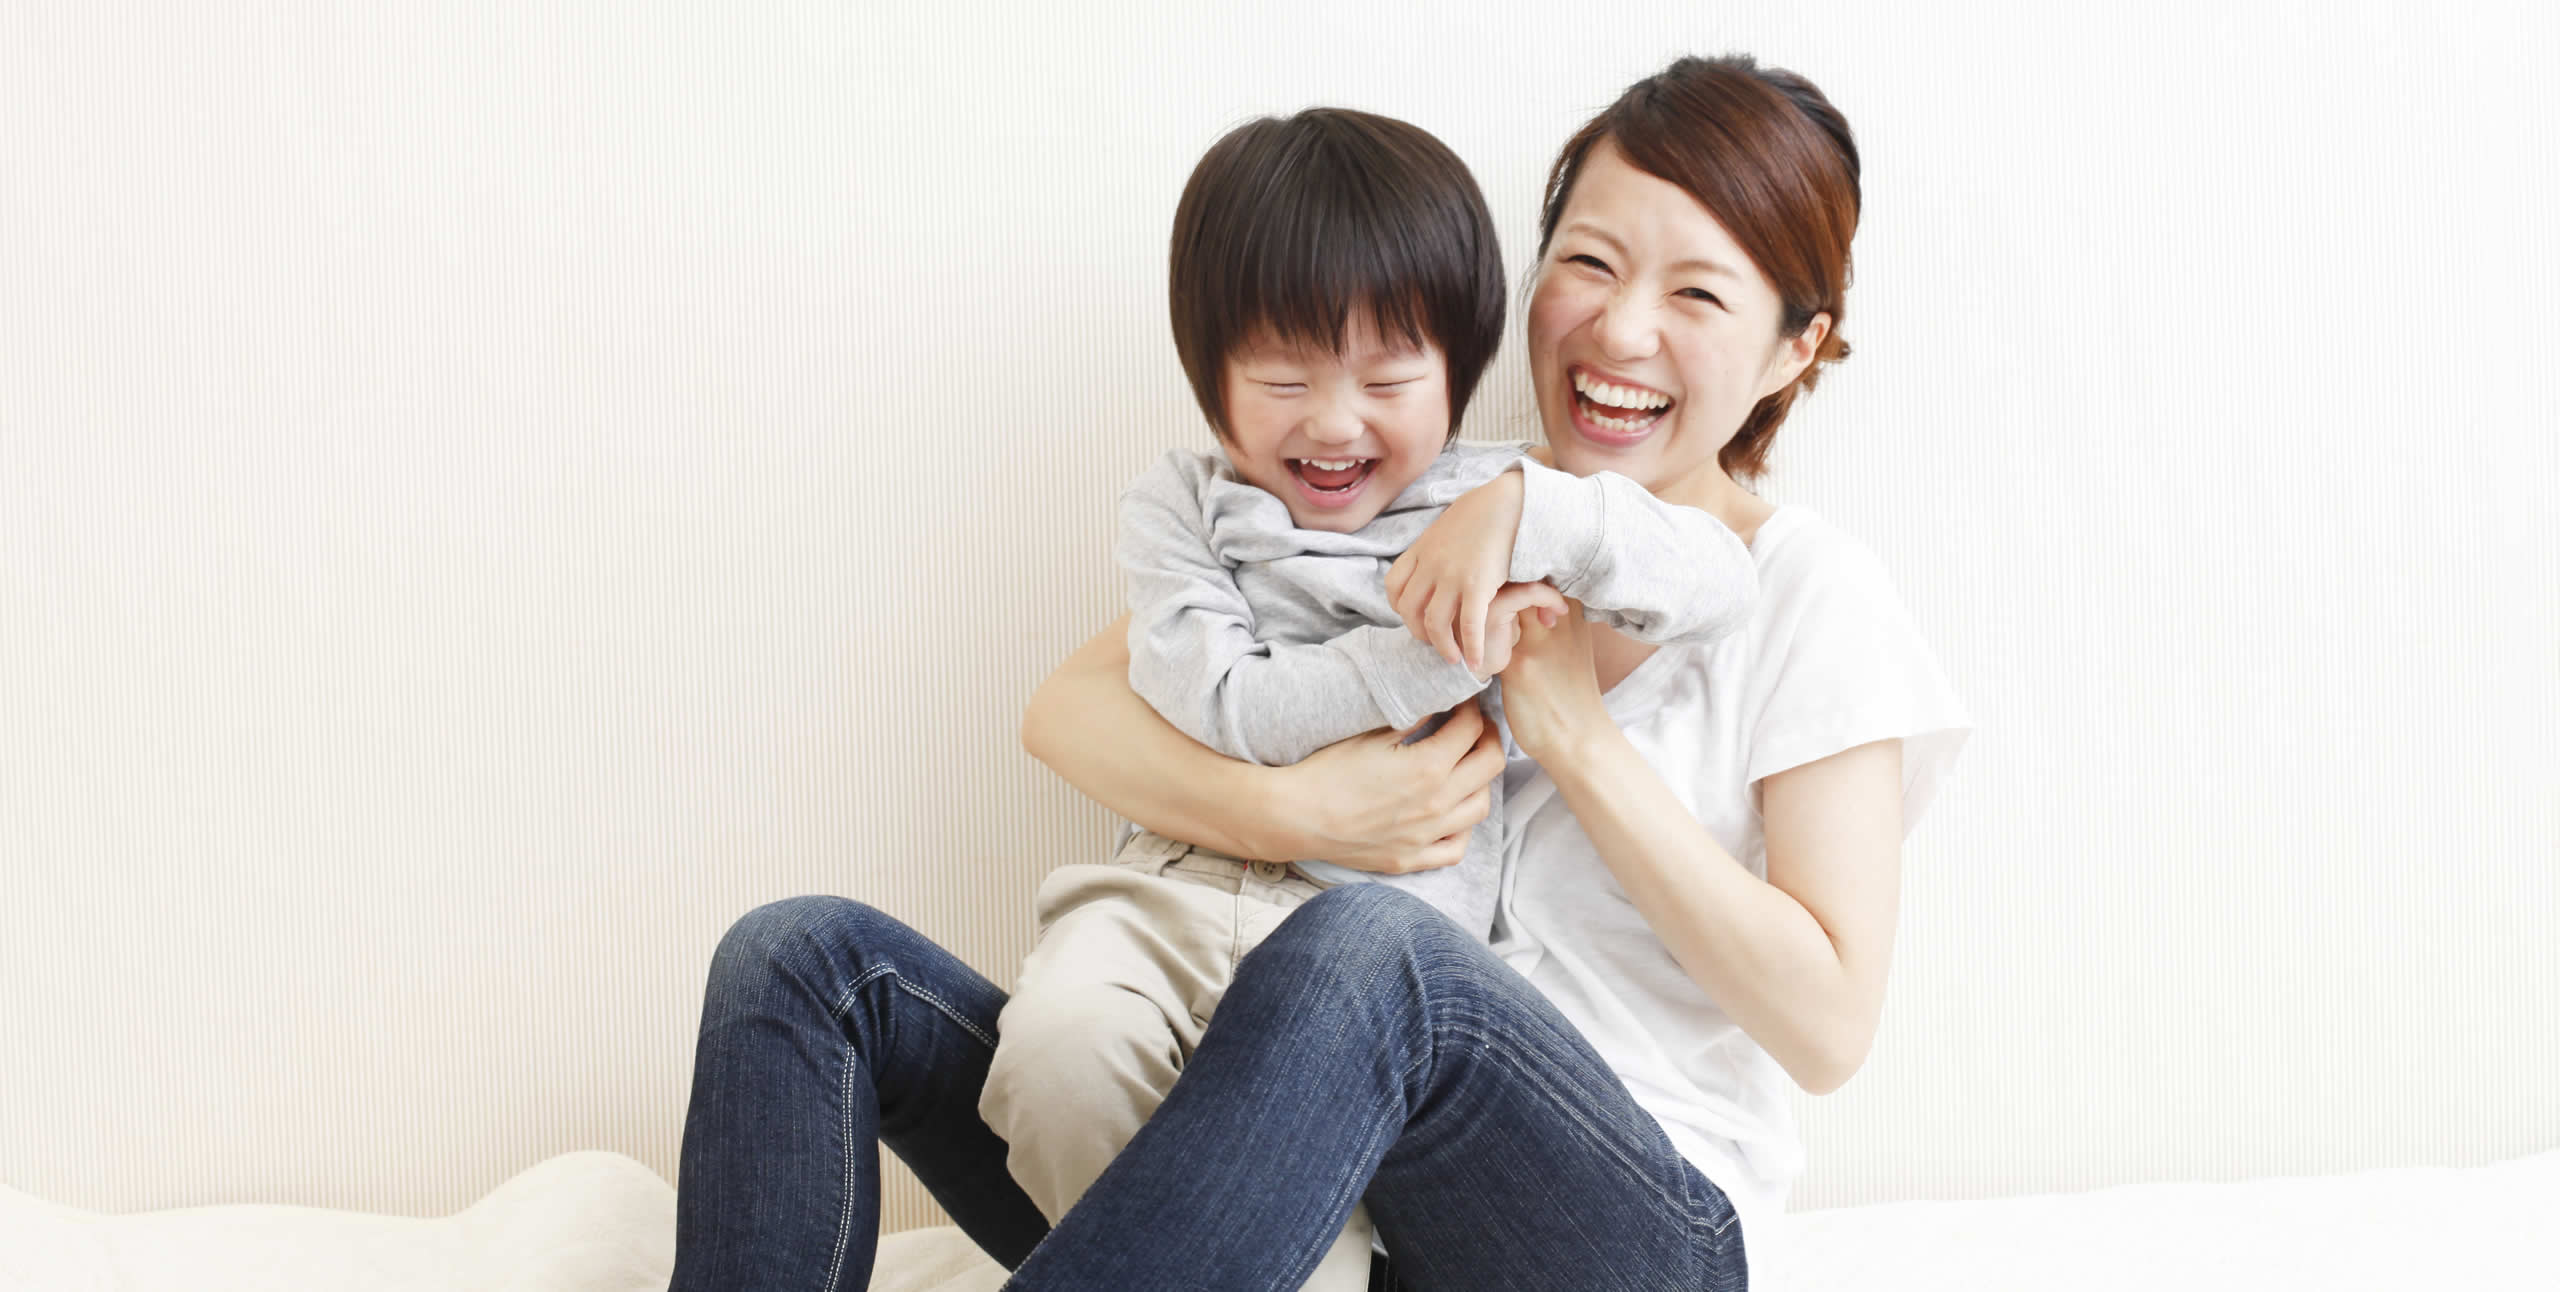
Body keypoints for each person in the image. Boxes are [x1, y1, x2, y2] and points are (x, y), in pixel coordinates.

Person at [669, 53, 1968, 1292]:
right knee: (801, 961)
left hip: (1616, 1228)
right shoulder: (1417, 491)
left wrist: (1573, 735)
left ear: (1797, 347)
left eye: (1697, 293)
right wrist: (1296, 814)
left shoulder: (1804, 589)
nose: (1623, 328)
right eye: (1590, 262)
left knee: (1369, 948)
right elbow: (1071, 708)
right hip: (1307, 1186)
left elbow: (1830, 1024)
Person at [977, 106, 1759, 1291]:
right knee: (1053, 1048)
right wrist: (1438, 658)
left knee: (1318, 1211)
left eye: (1388, 377)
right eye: (1283, 377)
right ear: (1210, 382)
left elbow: (1715, 579)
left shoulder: (1505, 489)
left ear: (1456, 372)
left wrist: (1531, 515)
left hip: (1376, 975)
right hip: (1170, 898)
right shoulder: (1179, 510)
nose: (1334, 422)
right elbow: (1223, 704)